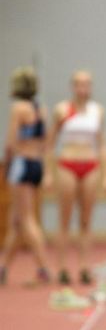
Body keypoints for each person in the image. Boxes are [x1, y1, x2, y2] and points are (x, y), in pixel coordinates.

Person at [45, 70, 106, 285]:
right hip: (67, 163)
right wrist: (48, 173)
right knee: (65, 219)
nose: (83, 88)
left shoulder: (97, 111)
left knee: (85, 220)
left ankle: (84, 267)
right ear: (72, 86)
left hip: (90, 164)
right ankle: (62, 267)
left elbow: (102, 144)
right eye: (79, 84)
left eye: (86, 84)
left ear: (90, 87)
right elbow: (49, 144)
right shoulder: (62, 110)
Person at [0, 67, 51, 286]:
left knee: (27, 219)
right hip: (36, 163)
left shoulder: (18, 108)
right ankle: (4, 268)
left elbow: (11, 142)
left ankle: (43, 267)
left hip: (21, 163)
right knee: (16, 221)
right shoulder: (41, 109)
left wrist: (6, 166)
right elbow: (44, 142)